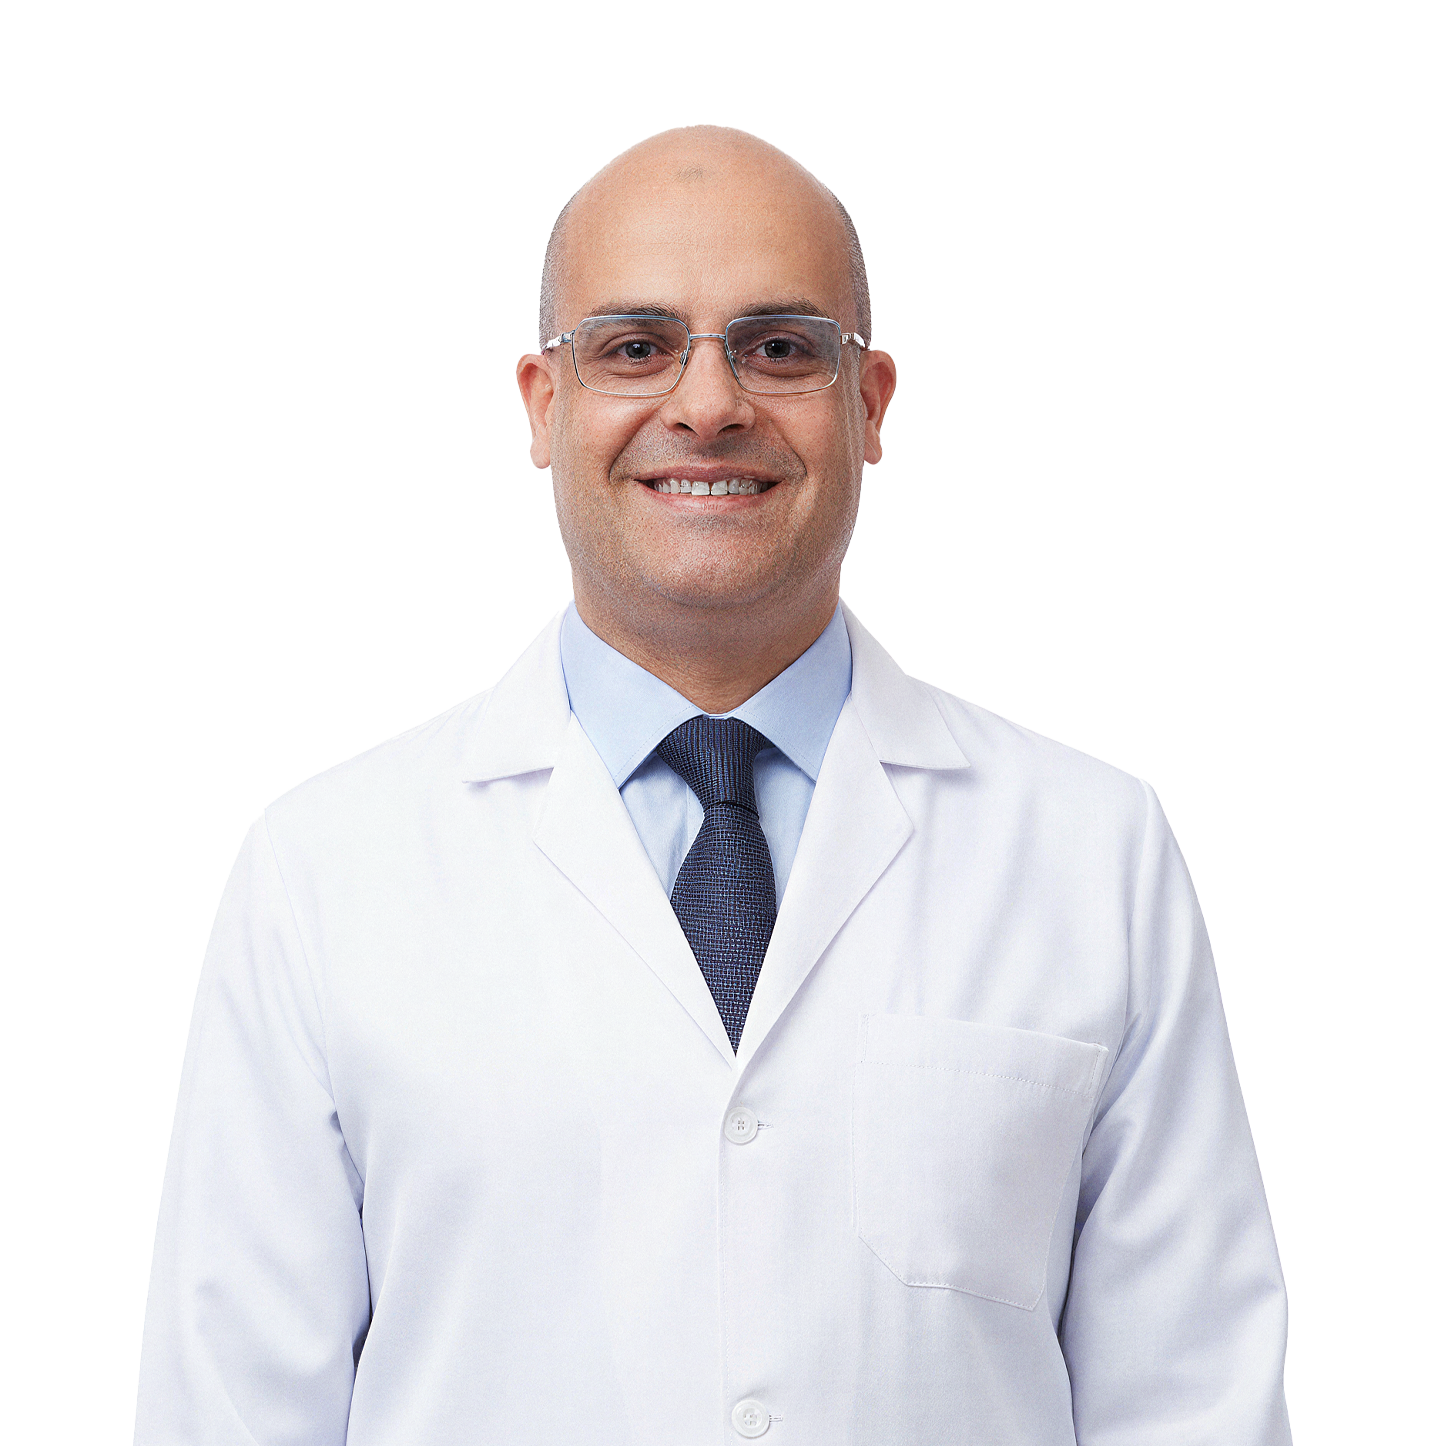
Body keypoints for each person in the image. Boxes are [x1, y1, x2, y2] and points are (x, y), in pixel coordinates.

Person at [135, 126, 1291, 1444]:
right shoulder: (326, 873)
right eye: (634, 347)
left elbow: (1193, 1398)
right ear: (542, 405)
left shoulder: (1091, 855)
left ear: (869, 406)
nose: (706, 404)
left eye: (779, 347)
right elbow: (229, 1409)